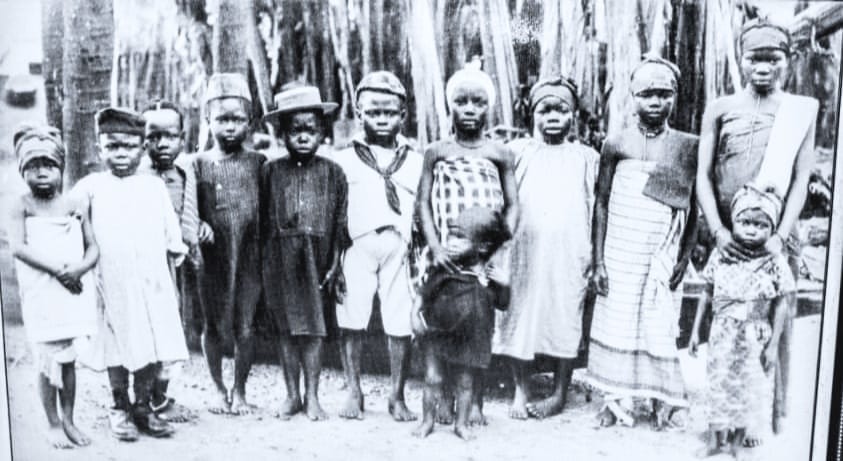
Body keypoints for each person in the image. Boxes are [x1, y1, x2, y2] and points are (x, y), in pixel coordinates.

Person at [696, 19, 818, 443]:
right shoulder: (721, 108)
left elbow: (801, 179)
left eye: (773, 59)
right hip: (730, 236)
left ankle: (766, 416)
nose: (763, 67)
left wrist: (780, 236)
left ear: (789, 60)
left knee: (771, 321)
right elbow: (703, 177)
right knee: (728, 325)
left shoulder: (801, 110)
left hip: (775, 236)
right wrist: (717, 230)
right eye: (755, 58)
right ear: (741, 59)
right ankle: (723, 417)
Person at [586, 55, 699, 430]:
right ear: (632, 95)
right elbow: (601, 202)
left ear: (675, 97)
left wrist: (685, 255)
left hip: (662, 251)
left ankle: (662, 401)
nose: (656, 102)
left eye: (664, 94)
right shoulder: (615, 144)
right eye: (647, 94)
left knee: (658, 321)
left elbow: (692, 207)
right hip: (621, 249)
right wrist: (598, 260)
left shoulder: (686, 146)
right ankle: (615, 401)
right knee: (617, 320)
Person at [73, 107, 189, 440]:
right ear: (100, 149)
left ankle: (143, 406)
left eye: (129, 146)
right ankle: (119, 405)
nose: (121, 154)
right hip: (112, 283)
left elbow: (171, 239)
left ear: (142, 148)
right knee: (117, 343)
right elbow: (70, 223)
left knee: (152, 342)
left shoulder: (152, 188)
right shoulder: (91, 187)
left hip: (152, 283)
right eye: (112, 146)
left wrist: (171, 282)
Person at [492, 77, 599, 419]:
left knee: (565, 317)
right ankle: (521, 388)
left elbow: (597, 205)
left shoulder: (586, 157)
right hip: (525, 250)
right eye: (545, 109)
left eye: (561, 109)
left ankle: (558, 392)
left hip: (569, 253)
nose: (553, 116)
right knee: (519, 315)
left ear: (574, 116)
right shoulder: (517, 152)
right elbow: (503, 198)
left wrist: (595, 257)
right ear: (532, 114)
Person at [416, 67, 519, 426]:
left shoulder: (500, 152)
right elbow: (423, 203)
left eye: (478, 102)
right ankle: (443, 400)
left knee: (479, 326)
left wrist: (498, 244)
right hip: (446, 249)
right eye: (461, 102)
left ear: (488, 107)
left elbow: (512, 203)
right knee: (442, 322)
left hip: (484, 250)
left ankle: (474, 402)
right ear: (450, 107)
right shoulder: (436, 151)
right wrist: (435, 246)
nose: (470, 109)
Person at [330, 71, 422, 422]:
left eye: (390, 112)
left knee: (400, 322)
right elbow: (335, 213)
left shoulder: (415, 159)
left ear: (403, 114)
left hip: (400, 247)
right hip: (357, 246)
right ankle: (354, 390)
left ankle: (396, 395)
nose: (382, 119)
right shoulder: (342, 159)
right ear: (359, 112)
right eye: (373, 112)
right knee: (352, 318)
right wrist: (336, 260)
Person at [260, 85, 350, 421]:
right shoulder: (270, 171)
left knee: (313, 329)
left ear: (322, 132)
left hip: (318, 259)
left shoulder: (333, 172)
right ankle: (292, 395)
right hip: (281, 261)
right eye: (294, 131)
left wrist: (336, 264)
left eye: (310, 130)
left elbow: (341, 222)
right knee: (286, 330)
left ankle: (313, 396)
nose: (302, 137)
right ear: (282, 134)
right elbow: (263, 222)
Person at [7, 126, 99, 449]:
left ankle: (70, 418)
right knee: (48, 360)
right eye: (33, 167)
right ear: (23, 172)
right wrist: (59, 271)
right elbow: (18, 247)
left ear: (61, 168)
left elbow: (93, 247)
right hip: (43, 290)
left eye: (48, 165)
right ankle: (53, 422)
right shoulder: (21, 205)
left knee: (68, 359)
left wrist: (79, 269)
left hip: (71, 289)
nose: (41, 173)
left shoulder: (75, 203)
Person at [689, 184, 794, 459]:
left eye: (760, 225)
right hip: (722, 331)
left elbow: (782, 301)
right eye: (745, 222)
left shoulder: (774, 260)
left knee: (748, 387)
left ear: (771, 229)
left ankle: (737, 441)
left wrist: (772, 344)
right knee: (717, 382)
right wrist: (695, 332)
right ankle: (714, 440)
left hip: (755, 334)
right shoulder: (722, 254)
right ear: (733, 221)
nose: (751, 229)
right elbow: (707, 292)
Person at [190, 73, 266, 415]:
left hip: (249, 254)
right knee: (213, 324)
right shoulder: (197, 164)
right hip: (212, 258)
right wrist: (199, 224)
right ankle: (218, 387)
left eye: (237, 119)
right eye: (222, 119)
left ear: (249, 121)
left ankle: (241, 389)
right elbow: (188, 207)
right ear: (208, 119)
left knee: (245, 325)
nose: (230, 127)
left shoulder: (258, 163)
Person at [411, 206, 511, 441]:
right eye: (451, 235)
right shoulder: (445, 266)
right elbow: (423, 293)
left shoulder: (490, 273)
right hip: (438, 333)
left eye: (460, 237)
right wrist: (414, 315)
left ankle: (461, 424)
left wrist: (505, 284)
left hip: (471, 337)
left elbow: (503, 304)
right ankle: (427, 421)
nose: (452, 242)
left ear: (483, 246)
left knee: (466, 383)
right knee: (433, 378)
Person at [140, 100, 199, 423]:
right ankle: (142, 398)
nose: (162, 144)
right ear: (142, 139)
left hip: (173, 269)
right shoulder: (135, 176)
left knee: (171, 329)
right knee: (146, 330)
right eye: (154, 136)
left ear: (182, 138)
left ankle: (160, 395)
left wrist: (198, 228)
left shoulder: (183, 175)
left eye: (171, 136)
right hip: (143, 268)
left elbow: (189, 215)